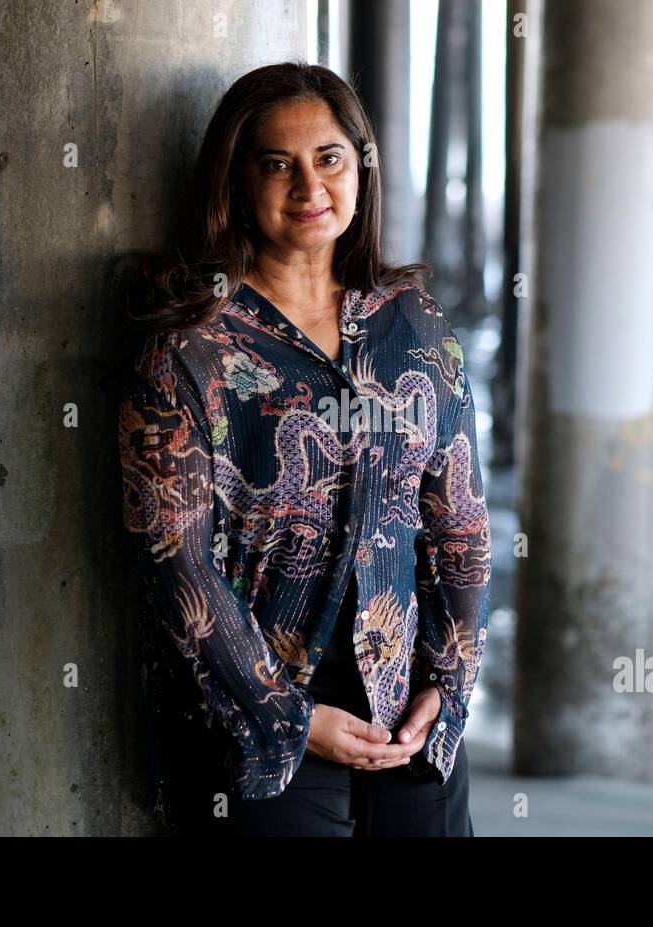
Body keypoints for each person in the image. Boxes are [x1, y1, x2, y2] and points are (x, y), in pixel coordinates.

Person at [117, 61, 490, 837]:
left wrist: (448, 685)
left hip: (406, 714)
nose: (308, 186)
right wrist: (288, 713)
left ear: (360, 167)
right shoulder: (190, 347)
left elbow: (459, 523)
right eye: (276, 163)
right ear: (237, 179)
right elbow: (174, 559)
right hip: (256, 727)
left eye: (329, 158)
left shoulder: (413, 326)